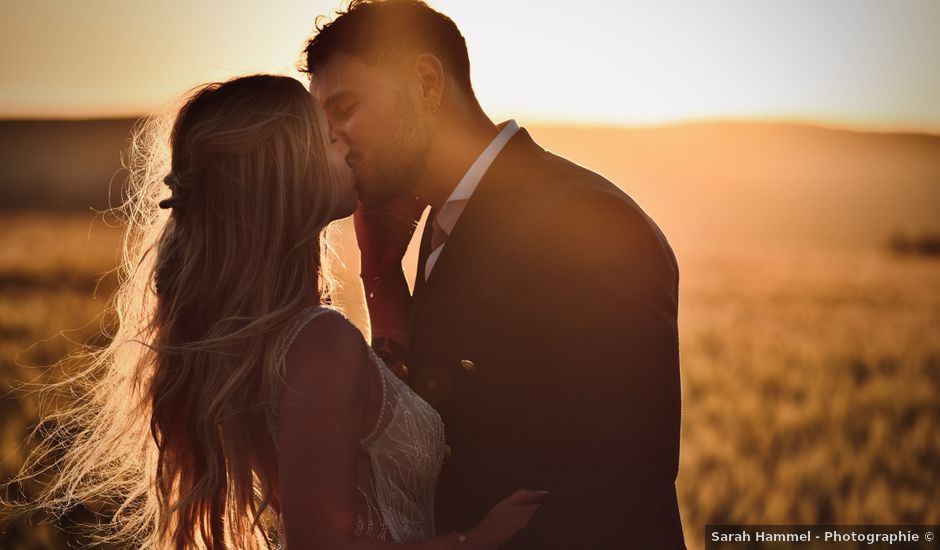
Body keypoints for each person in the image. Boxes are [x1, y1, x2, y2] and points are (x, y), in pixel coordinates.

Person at [3, 74, 546, 549]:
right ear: (294, 173)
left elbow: (359, 438)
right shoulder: (317, 341)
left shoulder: (285, 334)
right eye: (331, 141)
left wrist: (379, 270)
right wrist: (476, 541)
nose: (350, 151)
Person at [303, 1, 686, 548]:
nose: (334, 141)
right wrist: (383, 277)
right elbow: (443, 425)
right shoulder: (441, 223)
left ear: (427, 82)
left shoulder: (585, 222)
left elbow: (620, 483)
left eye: (345, 107)